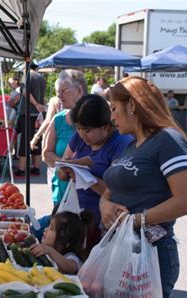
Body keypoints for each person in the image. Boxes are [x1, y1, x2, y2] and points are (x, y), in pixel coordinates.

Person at [101, 76, 187, 297]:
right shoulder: (132, 145)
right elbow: (109, 190)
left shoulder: (168, 140)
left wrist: (136, 220)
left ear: (132, 105)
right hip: (122, 250)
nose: (112, 117)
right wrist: (104, 205)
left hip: (151, 254)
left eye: (114, 108)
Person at [58, 94, 133, 251]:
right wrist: (65, 170)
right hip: (76, 216)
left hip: (103, 224)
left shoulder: (121, 143)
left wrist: (85, 177)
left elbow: (115, 191)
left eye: (87, 130)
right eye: (78, 128)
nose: (82, 134)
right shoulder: (79, 138)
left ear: (106, 126)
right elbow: (62, 170)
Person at [42, 69, 87, 209]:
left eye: (63, 91)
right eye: (57, 92)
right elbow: (46, 154)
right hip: (63, 187)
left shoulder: (96, 119)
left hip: (88, 189)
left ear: (79, 91)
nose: (59, 96)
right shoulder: (58, 119)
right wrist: (66, 164)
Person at [15, 62, 47, 176]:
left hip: (28, 112)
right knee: (37, 139)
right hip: (39, 114)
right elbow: (43, 96)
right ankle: (36, 167)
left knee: (25, 140)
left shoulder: (27, 75)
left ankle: (21, 169)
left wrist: (36, 104)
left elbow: (25, 92)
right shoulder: (42, 78)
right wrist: (41, 106)